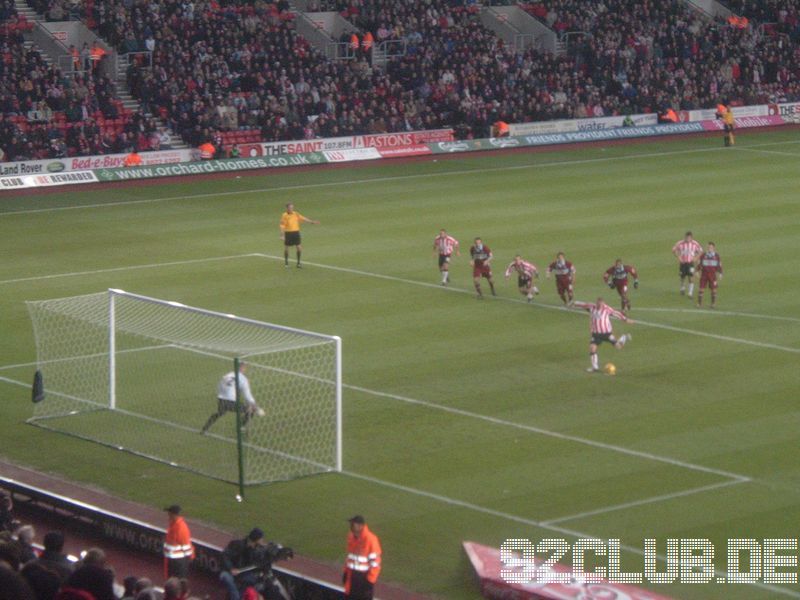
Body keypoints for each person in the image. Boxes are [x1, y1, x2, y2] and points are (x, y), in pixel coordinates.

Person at [573, 297, 633, 373]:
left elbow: (616, 313)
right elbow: (583, 304)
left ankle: (623, 338)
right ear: (596, 303)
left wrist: (625, 319)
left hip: (607, 333)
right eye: (598, 304)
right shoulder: (592, 307)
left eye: (601, 305)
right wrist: (575, 303)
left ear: (603, 304)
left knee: (618, 347)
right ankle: (595, 367)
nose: (599, 306)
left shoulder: (606, 309)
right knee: (592, 348)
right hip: (596, 334)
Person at [201, 363, 264, 434]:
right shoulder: (243, 379)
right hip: (231, 402)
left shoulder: (227, 375)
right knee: (251, 410)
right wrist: (255, 405)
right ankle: (240, 428)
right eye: (244, 368)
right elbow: (247, 395)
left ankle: (205, 429)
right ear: (243, 368)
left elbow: (219, 386)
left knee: (220, 413)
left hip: (221, 400)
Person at [221, 528, 265, 600]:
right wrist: (231, 568)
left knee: (253, 581)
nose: (262, 540)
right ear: (256, 539)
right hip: (230, 573)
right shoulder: (237, 544)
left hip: (244, 575)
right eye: (261, 538)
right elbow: (225, 556)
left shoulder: (257, 550)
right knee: (227, 577)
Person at [343, 515, 381, 600]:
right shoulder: (351, 537)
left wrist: (370, 581)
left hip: (363, 578)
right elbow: (349, 557)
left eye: (353, 524)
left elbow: (375, 564)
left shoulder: (371, 539)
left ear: (360, 526)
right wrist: (345, 572)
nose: (351, 526)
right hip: (352, 576)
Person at [279, 202, 319, 268]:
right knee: (286, 248)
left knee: (299, 247)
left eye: (292, 207)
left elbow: (303, 218)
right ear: (287, 208)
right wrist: (282, 235)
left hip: (296, 232)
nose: (291, 209)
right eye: (290, 207)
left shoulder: (296, 214)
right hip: (288, 233)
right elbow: (282, 225)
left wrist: (312, 222)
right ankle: (286, 263)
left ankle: (298, 263)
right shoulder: (284, 215)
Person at [162, 505, 194, 579]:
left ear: (174, 514)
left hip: (178, 562)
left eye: (169, 514)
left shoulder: (180, 527)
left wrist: (189, 558)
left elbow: (186, 546)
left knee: (178, 584)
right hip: (172, 560)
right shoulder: (174, 525)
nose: (168, 516)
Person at [672, 231, 703, 297]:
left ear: (691, 238)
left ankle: (690, 292)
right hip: (683, 263)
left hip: (690, 263)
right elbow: (673, 250)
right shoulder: (680, 243)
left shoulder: (695, 243)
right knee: (682, 276)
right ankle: (682, 287)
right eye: (686, 237)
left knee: (691, 276)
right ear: (685, 237)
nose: (688, 239)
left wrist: (696, 258)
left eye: (689, 238)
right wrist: (679, 257)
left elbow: (700, 251)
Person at [695, 242, 723, 308]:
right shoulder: (703, 255)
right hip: (704, 275)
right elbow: (699, 263)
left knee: (714, 290)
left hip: (713, 276)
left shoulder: (716, 256)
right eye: (708, 247)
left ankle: (713, 304)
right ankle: (699, 304)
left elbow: (719, 265)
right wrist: (697, 271)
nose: (709, 248)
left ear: (713, 248)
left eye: (711, 247)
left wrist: (720, 273)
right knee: (701, 289)